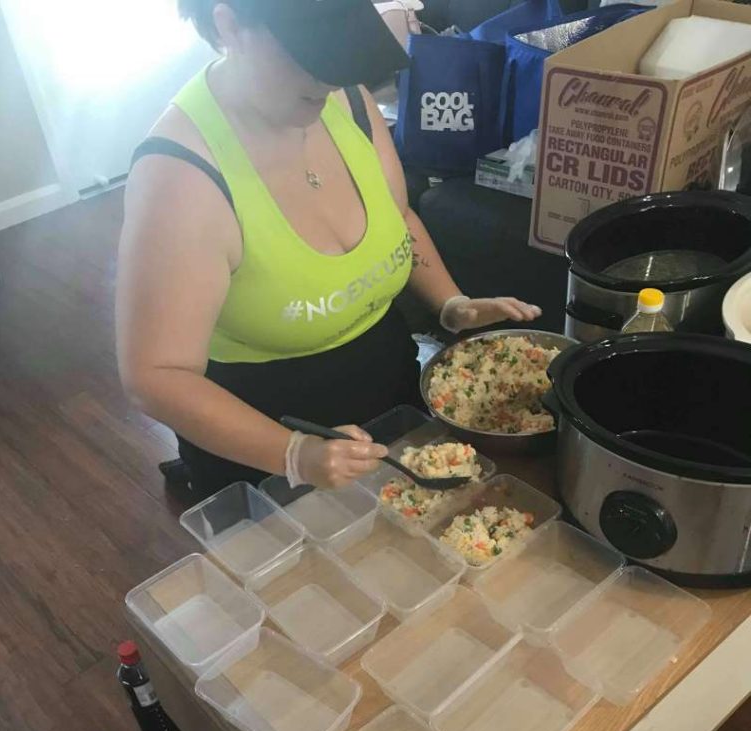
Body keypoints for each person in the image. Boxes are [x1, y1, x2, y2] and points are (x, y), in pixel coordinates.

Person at [116, 0, 541, 500]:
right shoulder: (180, 177)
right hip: (261, 430)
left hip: (390, 387)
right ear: (227, 23)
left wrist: (452, 304)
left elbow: (398, 218)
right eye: (310, 55)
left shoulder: (348, 101)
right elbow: (154, 376)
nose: (329, 80)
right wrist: (293, 453)